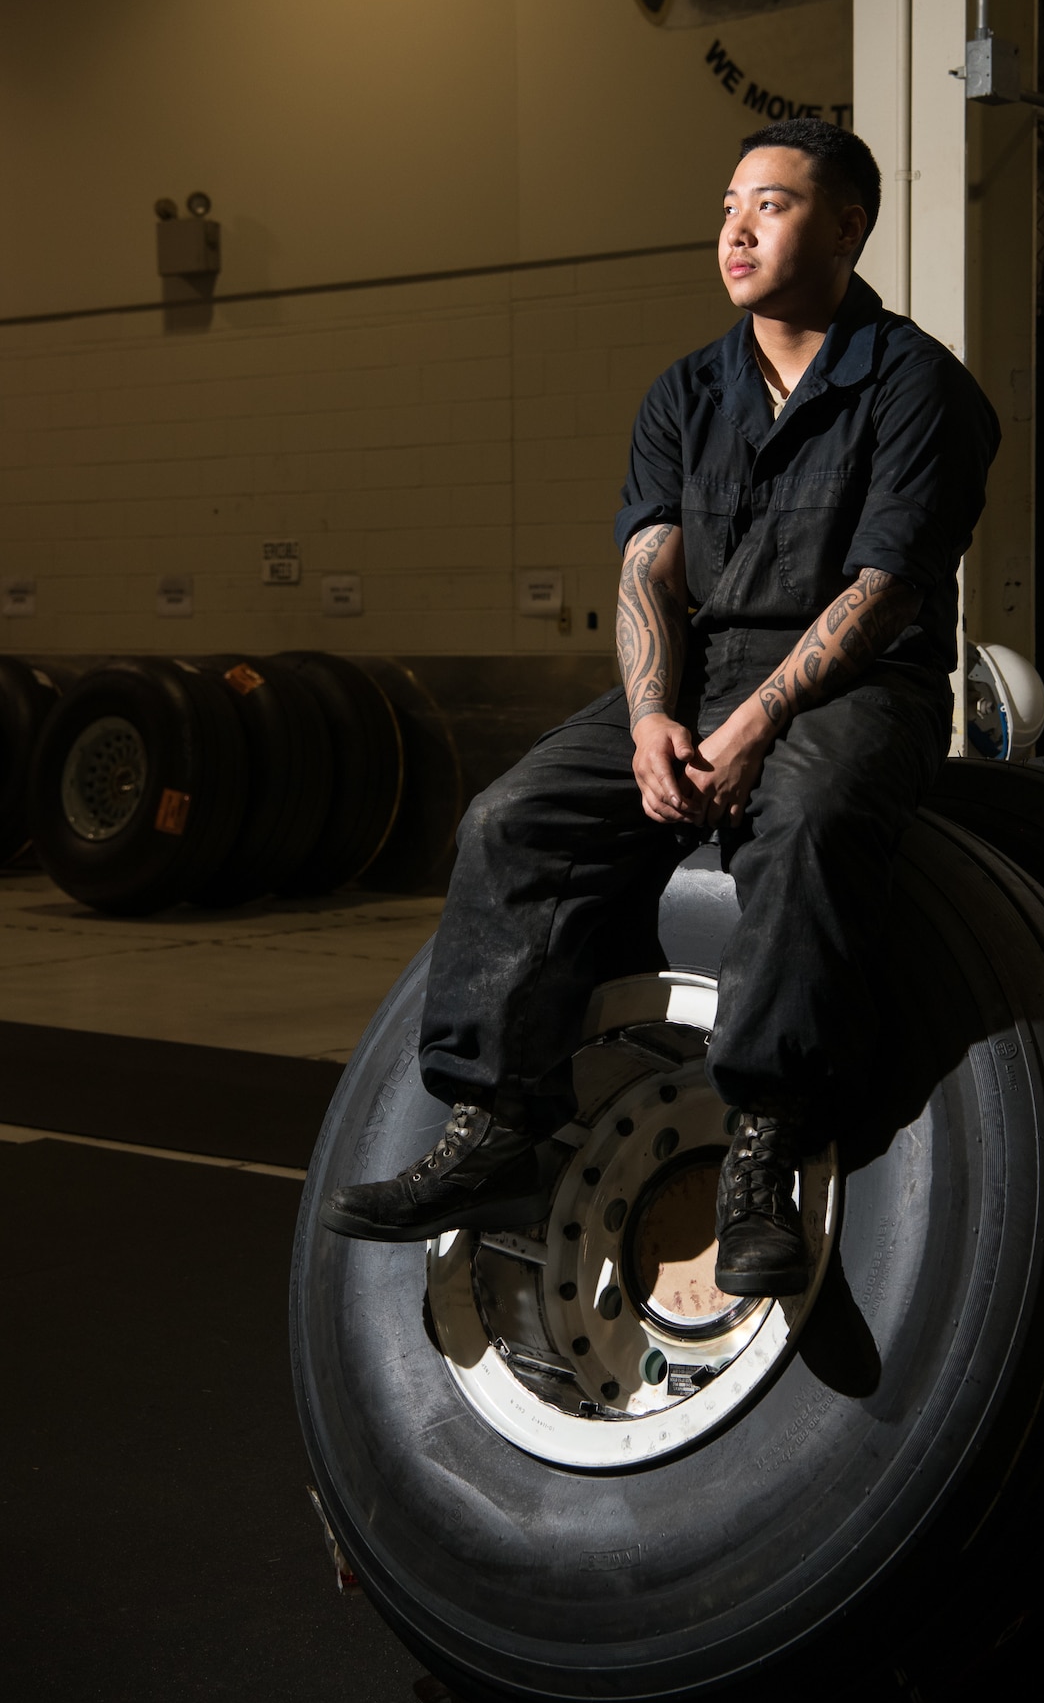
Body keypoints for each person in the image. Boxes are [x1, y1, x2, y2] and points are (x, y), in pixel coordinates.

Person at [321, 118, 998, 1296]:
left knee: (807, 818)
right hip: (696, 675)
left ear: (846, 226)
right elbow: (649, 572)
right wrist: (648, 718)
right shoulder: (687, 390)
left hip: (855, 684)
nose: (736, 228)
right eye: (729, 203)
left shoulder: (917, 386)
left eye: (772, 205)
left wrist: (755, 727)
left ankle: (762, 1145)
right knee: (509, 817)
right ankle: (497, 1128)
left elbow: (883, 591)